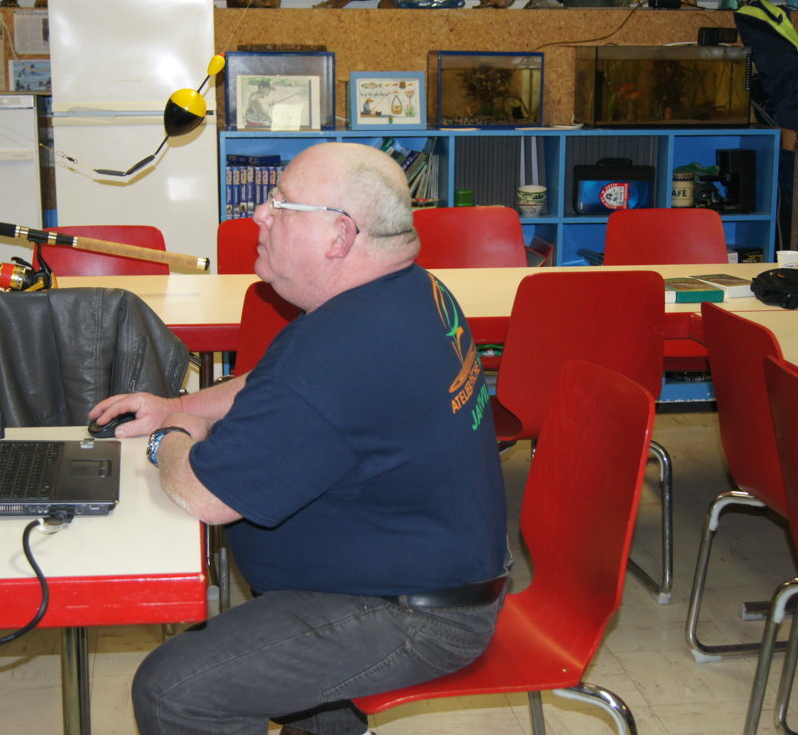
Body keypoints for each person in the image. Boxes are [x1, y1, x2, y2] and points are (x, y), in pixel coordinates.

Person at [89, 141, 508, 735]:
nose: (259, 215)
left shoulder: (339, 348)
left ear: (338, 236)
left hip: (417, 614)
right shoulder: (410, 292)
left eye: (281, 203)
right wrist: (178, 405)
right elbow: (275, 387)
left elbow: (205, 495)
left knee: (175, 690)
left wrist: (173, 437)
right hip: (427, 570)